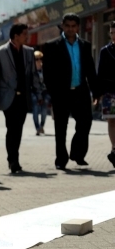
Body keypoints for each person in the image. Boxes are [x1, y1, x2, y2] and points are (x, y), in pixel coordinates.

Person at [43, 13, 98, 169]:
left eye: (73, 26)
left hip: (81, 91)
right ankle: (61, 159)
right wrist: (52, 92)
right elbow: (47, 73)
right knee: (60, 128)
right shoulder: (52, 45)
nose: (70, 29)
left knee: (85, 123)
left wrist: (96, 92)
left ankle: (77, 154)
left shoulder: (85, 45)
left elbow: (90, 70)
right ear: (62, 25)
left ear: (78, 27)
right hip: (61, 93)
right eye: (67, 26)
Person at [0, 23, 40, 173]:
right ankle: (13, 160)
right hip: (8, 97)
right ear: (16, 36)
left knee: (18, 129)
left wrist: (38, 91)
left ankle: (14, 158)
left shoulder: (29, 52)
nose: (28, 36)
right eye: (25, 33)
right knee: (12, 128)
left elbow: (33, 74)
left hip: (23, 98)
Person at [97, 21, 115, 167]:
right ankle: (114, 148)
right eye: (112, 32)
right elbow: (100, 73)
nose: (114, 35)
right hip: (109, 92)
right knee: (112, 120)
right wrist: (99, 93)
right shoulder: (105, 50)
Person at [32, 51, 50, 136]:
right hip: (35, 92)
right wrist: (38, 96)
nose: (39, 61)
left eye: (40, 58)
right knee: (35, 107)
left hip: (45, 92)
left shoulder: (45, 69)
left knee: (44, 109)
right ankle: (37, 128)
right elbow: (34, 85)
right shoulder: (32, 70)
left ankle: (42, 125)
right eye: (36, 59)